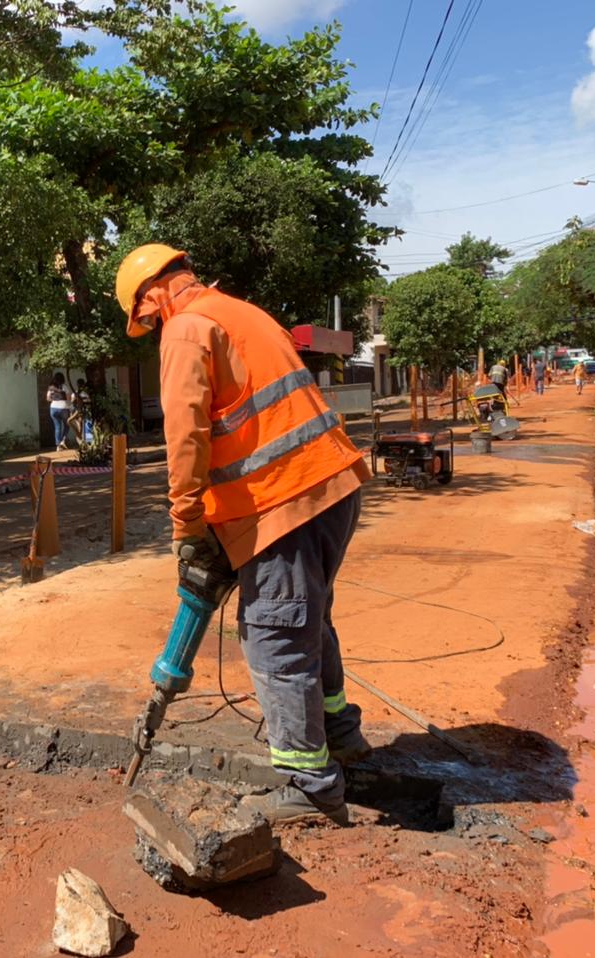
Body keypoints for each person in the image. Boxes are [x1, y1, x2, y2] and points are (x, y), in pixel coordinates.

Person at [115, 243, 371, 826]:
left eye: (147, 318)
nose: (154, 327)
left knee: (274, 634)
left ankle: (309, 785)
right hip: (330, 487)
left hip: (285, 499)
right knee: (308, 620)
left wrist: (188, 526)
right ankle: (339, 735)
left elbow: (186, 437)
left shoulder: (186, 330)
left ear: (154, 294)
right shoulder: (242, 312)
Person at [47, 373, 72, 450]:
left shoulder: (51, 388)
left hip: (53, 408)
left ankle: (58, 446)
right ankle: (63, 441)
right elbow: (68, 399)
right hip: (63, 407)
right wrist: (70, 407)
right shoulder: (64, 387)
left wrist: (54, 400)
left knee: (57, 426)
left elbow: (48, 398)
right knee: (67, 425)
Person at [75, 378, 94, 445]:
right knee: (85, 425)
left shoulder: (81, 392)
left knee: (87, 424)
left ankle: (88, 440)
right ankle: (86, 440)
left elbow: (87, 400)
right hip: (83, 410)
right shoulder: (79, 392)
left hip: (85, 410)